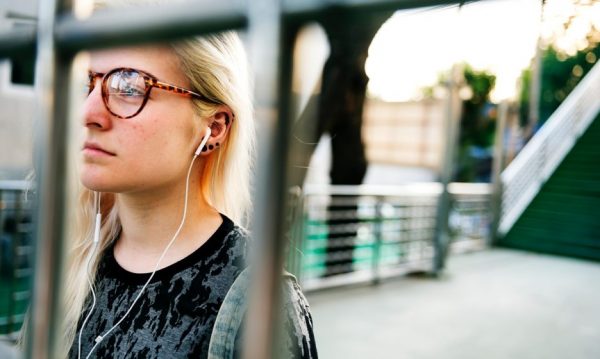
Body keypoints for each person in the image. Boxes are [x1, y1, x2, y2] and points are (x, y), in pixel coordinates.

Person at [56, 1, 318, 358]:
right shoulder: (73, 258)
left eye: (129, 86)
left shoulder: (258, 302)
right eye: (87, 82)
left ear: (213, 127)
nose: (89, 113)